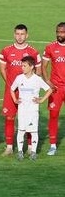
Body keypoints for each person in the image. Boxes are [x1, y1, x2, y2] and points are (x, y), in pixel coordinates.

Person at [0, 24, 41, 156]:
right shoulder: (6, 51)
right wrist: (12, 85)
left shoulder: (33, 52)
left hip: (28, 92)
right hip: (11, 91)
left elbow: (38, 72)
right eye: (17, 34)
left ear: (26, 35)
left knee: (28, 118)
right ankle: (10, 147)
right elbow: (2, 69)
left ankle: (29, 147)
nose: (20, 36)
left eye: (22, 34)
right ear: (14, 34)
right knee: (10, 118)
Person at [10, 56, 52, 160]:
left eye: (24, 66)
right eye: (22, 65)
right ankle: (20, 152)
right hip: (22, 110)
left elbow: (50, 89)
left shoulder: (37, 79)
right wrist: (15, 99)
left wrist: (41, 100)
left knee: (33, 131)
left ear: (31, 66)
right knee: (21, 130)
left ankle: (33, 152)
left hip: (33, 110)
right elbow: (11, 89)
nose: (22, 68)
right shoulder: (19, 78)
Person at [42, 22, 65, 155]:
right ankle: (52, 145)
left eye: (62, 32)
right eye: (58, 32)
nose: (59, 34)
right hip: (56, 88)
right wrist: (48, 82)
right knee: (54, 115)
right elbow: (44, 66)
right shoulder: (50, 47)